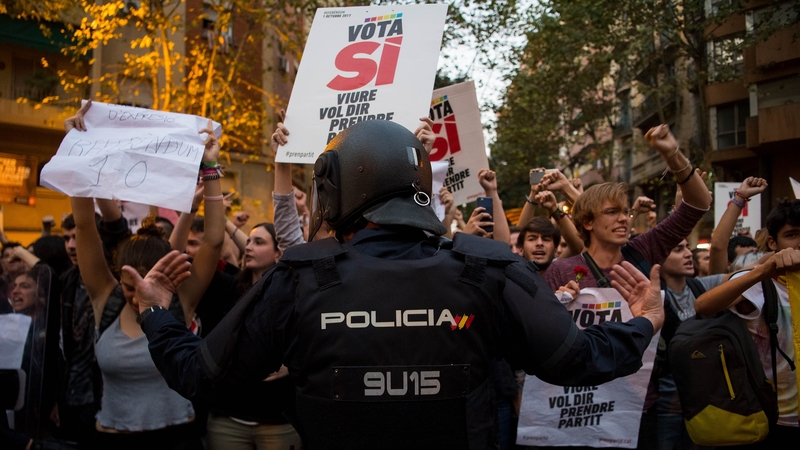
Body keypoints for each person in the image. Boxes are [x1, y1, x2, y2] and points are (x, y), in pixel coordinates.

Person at [132, 119, 665, 450]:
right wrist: (642, 322)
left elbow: (198, 375)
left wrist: (157, 312)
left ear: (341, 189)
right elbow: (579, 360)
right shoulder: (490, 268)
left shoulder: (297, 279)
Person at [68, 101, 224, 449]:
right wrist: (78, 153)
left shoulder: (178, 304)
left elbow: (213, 240)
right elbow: (84, 225)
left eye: (148, 282)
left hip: (177, 438)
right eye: (129, 284)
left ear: (168, 277)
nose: (138, 292)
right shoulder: (105, 301)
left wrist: (210, 165)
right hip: (112, 437)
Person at [695, 199, 800, 446]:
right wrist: (760, 272)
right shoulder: (760, 284)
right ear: (773, 243)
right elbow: (704, 306)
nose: (799, 243)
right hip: (777, 419)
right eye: (792, 235)